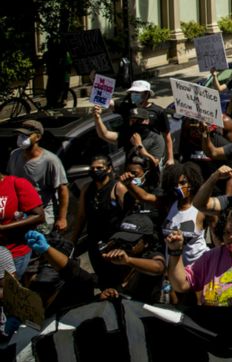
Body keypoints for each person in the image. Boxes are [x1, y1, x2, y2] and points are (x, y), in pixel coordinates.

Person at [27, 214, 165, 302]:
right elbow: (83, 277)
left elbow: (158, 267)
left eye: (132, 241)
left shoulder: (150, 255)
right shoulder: (112, 255)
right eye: (122, 239)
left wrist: (128, 261)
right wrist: (103, 295)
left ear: (146, 242)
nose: (124, 245)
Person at [7, 119, 69, 235]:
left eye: (26, 135)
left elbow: (63, 189)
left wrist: (62, 218)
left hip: (42, 215)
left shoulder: (50, 160)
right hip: (20, 214)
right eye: (20, 135)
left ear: (38, 137)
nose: (21, 138)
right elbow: (10, 181)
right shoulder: (14, 155)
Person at [0, 171, 45, 278]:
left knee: (7, 291)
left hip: (15, 253)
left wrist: (3, 228)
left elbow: (39, 216)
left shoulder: (17, 183)